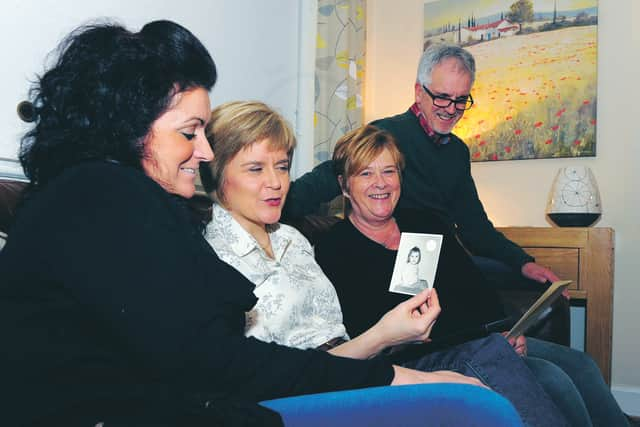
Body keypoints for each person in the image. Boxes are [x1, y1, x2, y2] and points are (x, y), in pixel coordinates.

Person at [0, 22, 523, 427]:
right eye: (189, 133)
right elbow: (216, 364)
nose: (201, 152)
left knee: (474, 389)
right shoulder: (102, 197)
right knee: (472, 406)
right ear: (129, 126)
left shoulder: (108, 197)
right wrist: (391, 374)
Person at [203, 101, 572, 427]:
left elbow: (473, 283)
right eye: (255, 169)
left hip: (358, 364)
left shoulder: (294, 241)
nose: (275, 182)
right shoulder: (210, 258)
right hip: (319, 386)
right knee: (475, 388)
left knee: (558, 373)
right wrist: (386, 337)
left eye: (282, 167)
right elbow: (275, 373)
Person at [314, 124, 630, 427]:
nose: (380, 183)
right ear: (344, 185)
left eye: (389, 171)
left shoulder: (426, 223)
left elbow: (475, 289)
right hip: (420, 356)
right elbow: (363, 328)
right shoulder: (334, 248)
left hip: (477, 340)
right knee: (551, 377)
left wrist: (508, 332)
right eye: (365, 173)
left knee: (581, 364)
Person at [284, 42, 561, 290]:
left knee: (532, 284)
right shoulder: (384, 137)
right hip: (398, 264)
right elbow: (319, 184)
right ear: (419, 92)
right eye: (441, 97)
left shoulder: (457, 152)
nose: (451, 109)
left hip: (445, 258)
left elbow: (474, 227)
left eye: (460, 100)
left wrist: (523, 262)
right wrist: (260, 210)